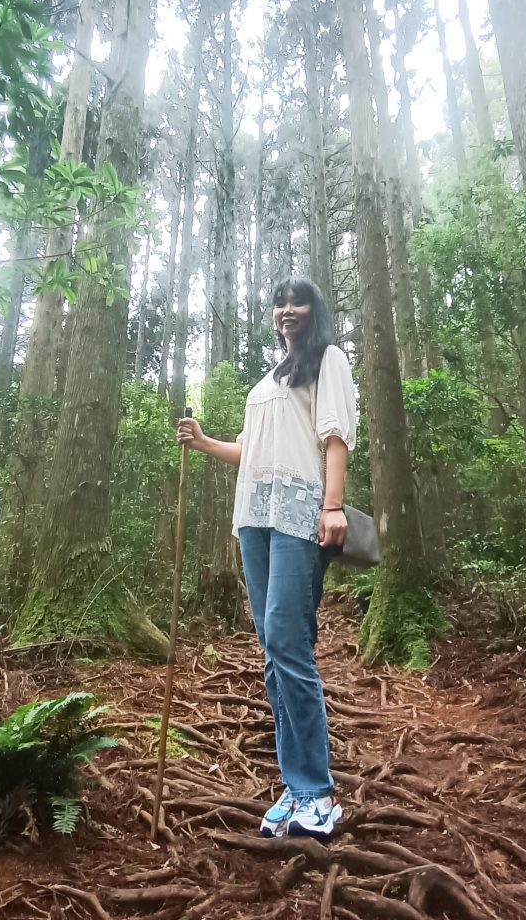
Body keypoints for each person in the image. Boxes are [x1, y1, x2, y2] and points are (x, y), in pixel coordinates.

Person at [177, 276, 357, 839]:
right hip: (253, 519)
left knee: (286, 641)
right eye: (279, 303)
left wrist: (332, 506)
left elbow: (335, 438)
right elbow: (252, 451)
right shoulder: (270, 379)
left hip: (300, 517)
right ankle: (296, 785)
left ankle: (317, 793)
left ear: (315, 308)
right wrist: (207, 443)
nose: (287, 310)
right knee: (273, 651)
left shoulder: (328, 359)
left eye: (297, 301)